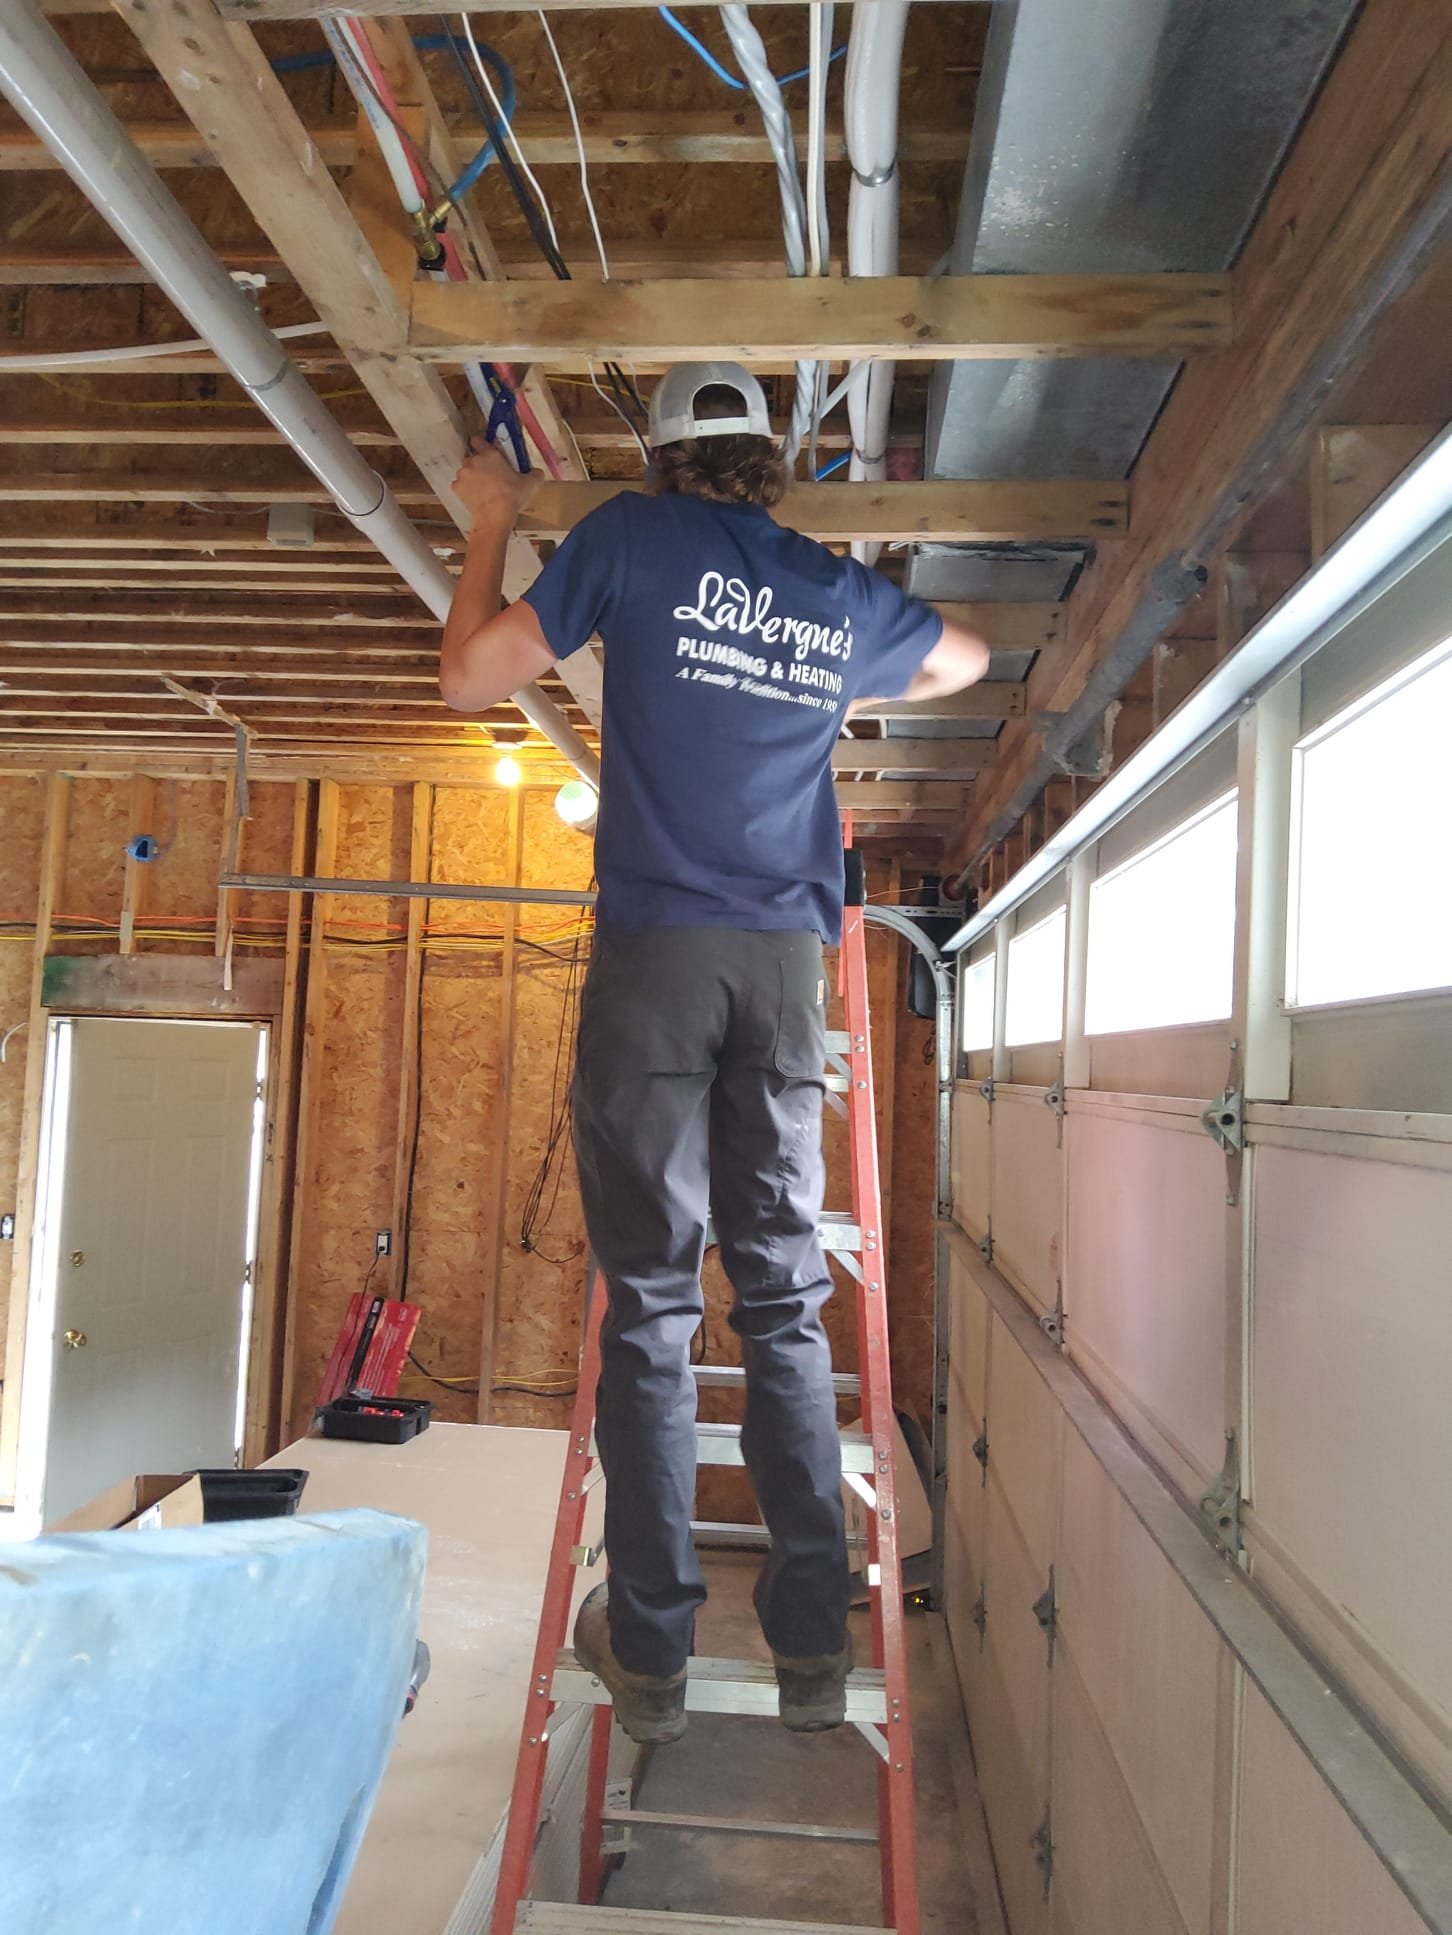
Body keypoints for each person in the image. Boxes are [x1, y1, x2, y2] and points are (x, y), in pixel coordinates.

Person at [441, 362, 989, 1746]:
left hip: (658, 966)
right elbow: (968, 660)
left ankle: (657, 1657)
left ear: (669, 455)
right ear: (769, 458)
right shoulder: (831, 587)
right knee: (786, 1303)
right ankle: (813, 1655)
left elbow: (467, 680)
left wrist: (492, 520)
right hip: (783, 975)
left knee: (653, 1311)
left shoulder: (630, 535)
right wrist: (839, 661)